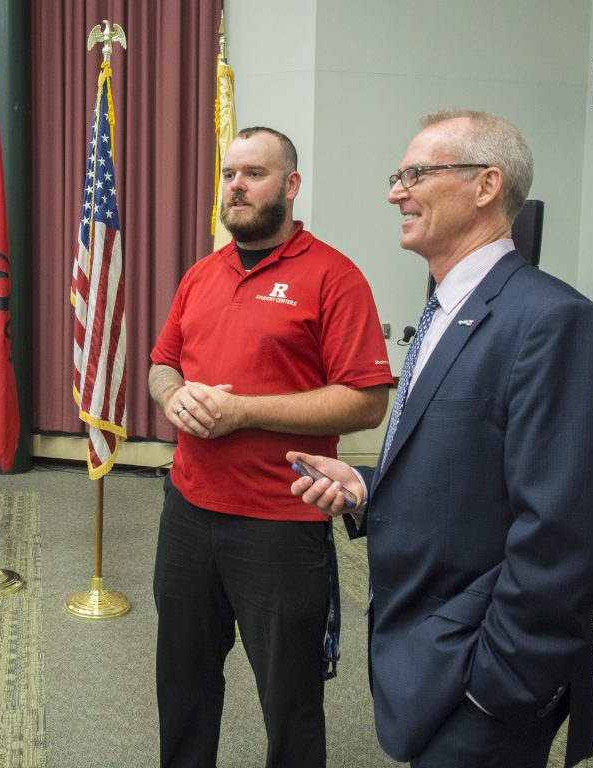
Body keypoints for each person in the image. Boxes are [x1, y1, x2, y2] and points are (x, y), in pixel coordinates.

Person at [289, 110, 593, 768]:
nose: (396, 192)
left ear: (486, 185)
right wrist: (366, 488)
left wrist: (495, 687)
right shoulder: (448, 311)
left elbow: (573, 541)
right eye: (398, 176)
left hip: (482, 685)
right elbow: (471, 472)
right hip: (426, 658)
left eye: (417, 173)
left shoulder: (555, 323)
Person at [149, 126, 393, 767]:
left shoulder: (333, 278)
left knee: (289, 703)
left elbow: (367, 400)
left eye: (254, 173)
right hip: (187, 514)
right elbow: (161, 365)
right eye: (229, 173)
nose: (236, 185)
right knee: (182, 687)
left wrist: (243, 412)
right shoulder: (202, 274)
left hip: (280, 526)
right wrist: (173, 396)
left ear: (290, 185)